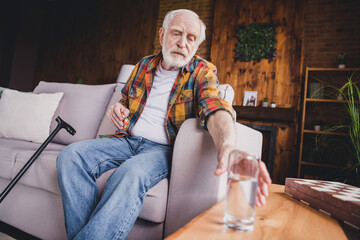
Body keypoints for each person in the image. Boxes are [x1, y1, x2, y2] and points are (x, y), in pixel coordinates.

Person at [57, 9, 271, 240]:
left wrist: (228, 147)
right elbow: (126, 101)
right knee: (70, 156)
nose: (182, 43)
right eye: (176, 34)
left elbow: (215, 107)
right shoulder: (143, 66)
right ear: (162, 35)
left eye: (191, 38)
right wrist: (118, 108)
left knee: (131, 173)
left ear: (197, 45)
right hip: (126, 141)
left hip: (163, 150)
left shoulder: (201, 72)